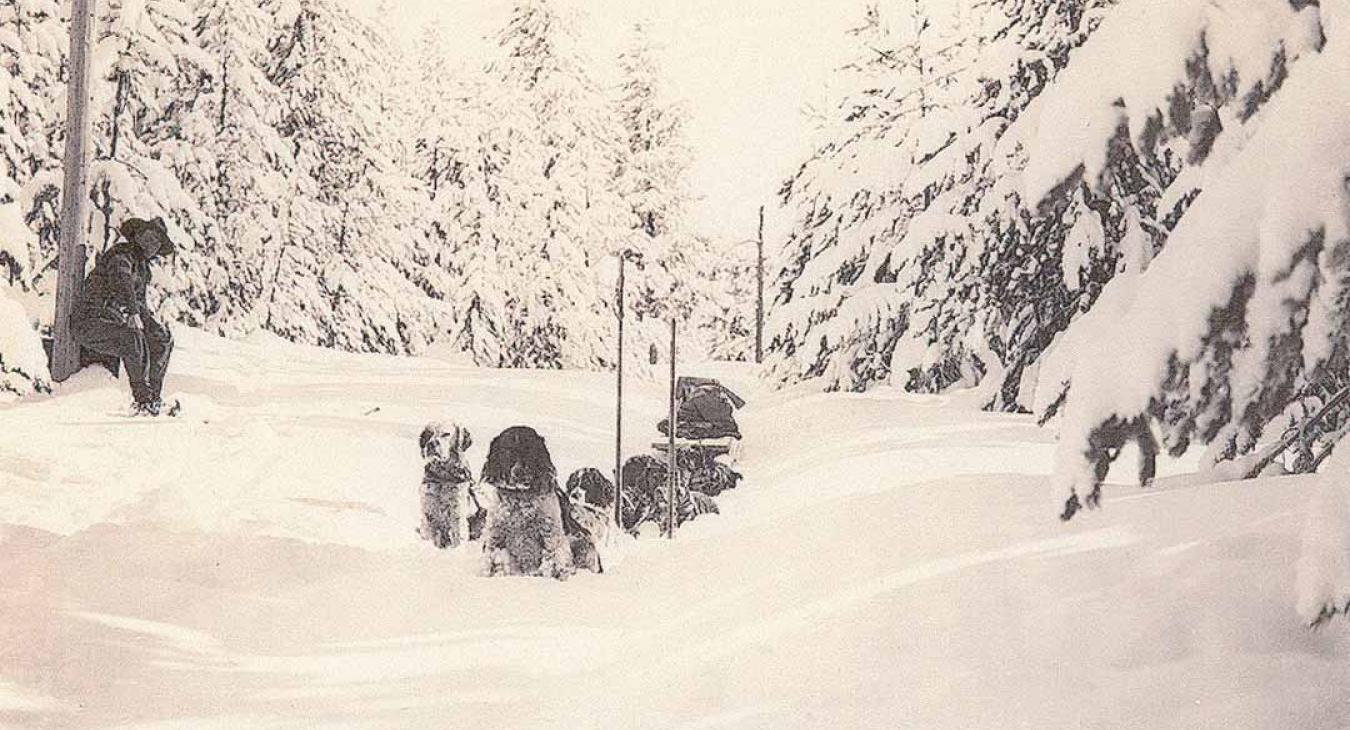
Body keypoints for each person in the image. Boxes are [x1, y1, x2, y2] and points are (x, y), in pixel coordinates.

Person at [70, 217, 177, 415]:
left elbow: (140, 306)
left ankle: (153, 398)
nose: (151, 244)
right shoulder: (121, 255)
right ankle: (142, 399)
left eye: (157, 242)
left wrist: (153, 327)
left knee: (161, 339)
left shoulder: (143, 270)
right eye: (148, 236)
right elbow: (122, 280)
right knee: (132, 337)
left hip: (112, 327)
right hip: (89, 321)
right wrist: (133, 312)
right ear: (137, 236)